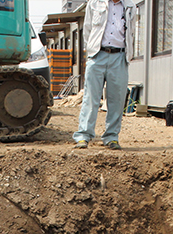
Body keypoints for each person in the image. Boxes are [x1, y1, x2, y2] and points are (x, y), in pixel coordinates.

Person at [72, 0, 135, 150]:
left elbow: (131, 32)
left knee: (117, 99)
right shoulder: (94, 3)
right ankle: (83, 136)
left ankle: (111, 137)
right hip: (97, 55)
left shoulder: (130, 6)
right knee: (91, 97)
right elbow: (87, 30)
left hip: (119, 57)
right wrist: (93, 51)